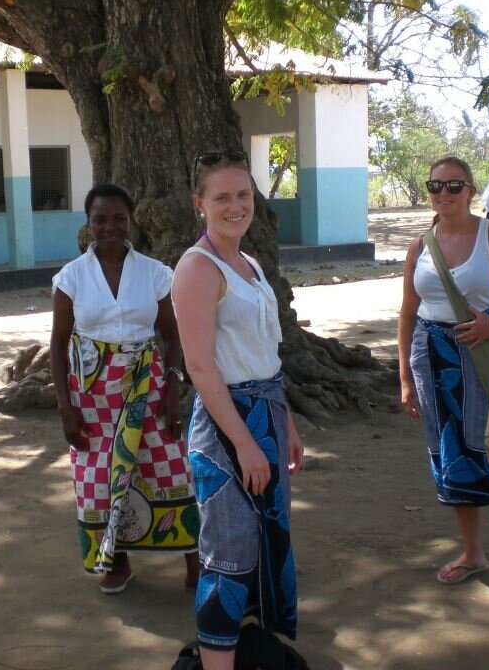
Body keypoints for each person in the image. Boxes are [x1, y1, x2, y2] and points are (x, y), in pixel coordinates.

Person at [172, 149, 305, 670]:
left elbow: (266, 354)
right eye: (222, 196)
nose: (235, 206)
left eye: (243, 194)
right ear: (199, 203)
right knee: (227, 555)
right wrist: (245, 444)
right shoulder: (197, 268)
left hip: (264, 415)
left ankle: (243, 652)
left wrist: (285, 422)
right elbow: (201, 368)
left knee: (262, 547)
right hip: (225, 428)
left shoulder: (249, 264)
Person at [397, 156, 489, 603]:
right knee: (452, 457)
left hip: (483, 359)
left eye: (454, 186)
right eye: (435, 185)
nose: (444, 193)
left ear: (471, 191)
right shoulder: (421, 246)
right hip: (432, 359)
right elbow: (407, 313)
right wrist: (404, 376)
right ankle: (473, 552)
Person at [49, 183, 200, 595]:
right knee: (99, 480)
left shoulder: (154, 273)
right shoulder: (71, 278)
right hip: (92, 397)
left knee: (170, 468)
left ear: (130, 221)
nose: (109, 227)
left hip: (148, 390)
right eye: (100, 219)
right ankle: (116, 562)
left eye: (118, 218)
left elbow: (172, 335)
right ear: (88, 224)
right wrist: (65, 407)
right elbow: (58, 345)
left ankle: (194, 560)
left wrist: (172, 389)